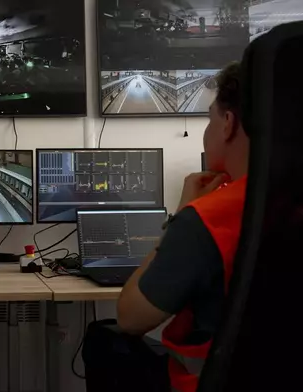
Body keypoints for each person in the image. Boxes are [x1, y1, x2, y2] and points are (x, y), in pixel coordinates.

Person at [82, 62, 250, 392]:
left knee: (105, 338)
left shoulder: (208, 217)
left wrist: (183, 213)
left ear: (228, 124)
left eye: (208, 118)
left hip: (204, 382)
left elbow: (132, 317)